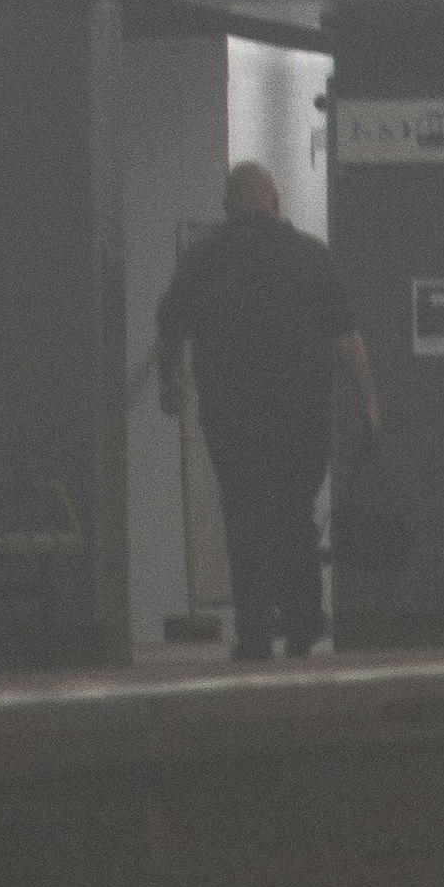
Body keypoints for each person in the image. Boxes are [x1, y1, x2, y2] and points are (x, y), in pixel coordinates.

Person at [152, 156, 376, 658]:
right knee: (294, 512)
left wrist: (170, 384)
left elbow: (170, 327)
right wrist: (370, 399)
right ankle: (301, 622)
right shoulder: (311, 257)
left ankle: (254, 633)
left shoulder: (202, 259)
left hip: (231, 414)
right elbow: (348, 338)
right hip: (302, 413)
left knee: (245, 516)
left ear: (229, 206)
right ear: (273, 201)